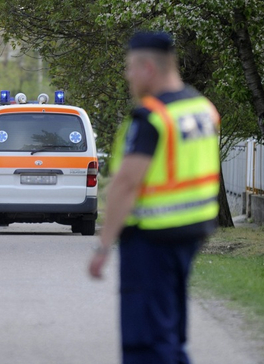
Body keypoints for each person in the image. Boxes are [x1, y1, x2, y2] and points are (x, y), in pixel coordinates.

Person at [88, 32, 221, 364]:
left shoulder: (152, 116)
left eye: (130, 68)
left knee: (146, 340)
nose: (127, 76)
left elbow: (126, 184)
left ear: (148, 67)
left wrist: (104, 245)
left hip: (152, 238)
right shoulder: (202, 108)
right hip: (193, 230)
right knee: (171, 331)